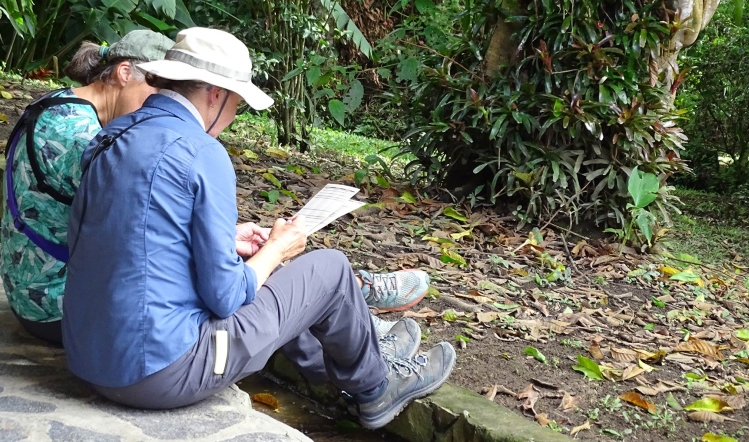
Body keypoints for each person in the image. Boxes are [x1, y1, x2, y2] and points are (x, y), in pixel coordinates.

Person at [62, 27, 455, 429]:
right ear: (216, 94)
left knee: (272, 273)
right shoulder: (202, 152)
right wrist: (276, 250)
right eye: (237, 103)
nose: (233, 117)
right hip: (160, 374)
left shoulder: (111, 137)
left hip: (91, 360)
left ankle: (350, 368)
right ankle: (377, 387)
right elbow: (227, 297)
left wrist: (229, 241)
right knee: (331, 270)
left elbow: (125, 235)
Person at [0, 30, 175, 345]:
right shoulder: (78, 136)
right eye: (158, 89)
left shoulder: (62, 103)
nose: (161, 104)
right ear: (124, 73)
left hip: (32, 288)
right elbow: (140, 228)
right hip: (52, 306)